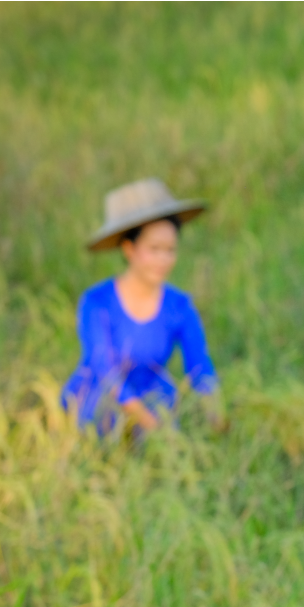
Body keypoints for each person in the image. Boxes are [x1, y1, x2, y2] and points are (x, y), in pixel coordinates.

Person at [62, 178, 219, 435]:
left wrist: (215, 413)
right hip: (100, 397)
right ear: (129, 249)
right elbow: (104, 368)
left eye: (170, 250)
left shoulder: (179, 306)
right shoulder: (96, 302)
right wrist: (146, 421)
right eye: (154, 249)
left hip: (152, 392)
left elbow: (200, 365)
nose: (163, 260)